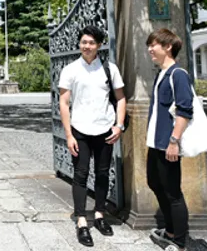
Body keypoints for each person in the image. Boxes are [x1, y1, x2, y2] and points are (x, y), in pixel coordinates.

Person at [58, 25, 127, 247]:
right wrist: (68, 134)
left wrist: (119, 125)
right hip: (80, 129)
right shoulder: (70, 70)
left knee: (103, 173)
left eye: (91, 43)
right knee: (80, 174)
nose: (87, 46)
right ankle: (81, 220)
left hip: (105, 129)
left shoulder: (110, 69)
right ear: (79, 44)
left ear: (99, 45)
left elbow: (121, 98)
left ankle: (99, 214)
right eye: (84, 42)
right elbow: (64, 103)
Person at [146, 28, 193, 251]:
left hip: (168, 143)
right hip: (155, 143)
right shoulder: (161, 75)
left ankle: (180, 243)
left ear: (168, 47)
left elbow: (185, 110)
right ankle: (171, 230)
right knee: (155, 183)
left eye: (153, 45)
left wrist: (174, 141)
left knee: (173, 193)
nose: (150, 49)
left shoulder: (178, 75)